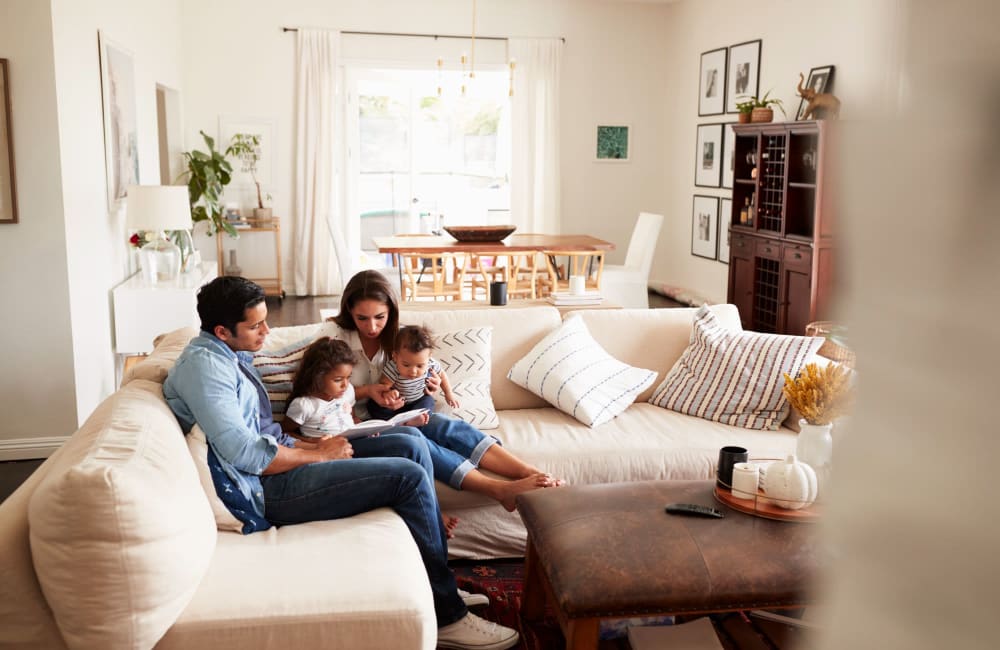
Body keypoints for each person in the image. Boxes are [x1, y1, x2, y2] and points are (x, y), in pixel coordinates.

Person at [162, 276, 516, 650]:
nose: (267, 330)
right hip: (265, 489)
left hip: (287, 456)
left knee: (411, 441)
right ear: (222, 330)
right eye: (256, 325)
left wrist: (313, 443)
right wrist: (317, 453)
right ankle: (448, 617)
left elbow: (263, 434)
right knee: (409, 477)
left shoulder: (227, 353)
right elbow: (247, 455)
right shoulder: (207, 369)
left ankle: (437, 584)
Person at [332, 270, 563, 511]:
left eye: (380, 317)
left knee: (444, 425)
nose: (372, 327)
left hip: (398, 416)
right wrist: (368, 391)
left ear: (391, 310)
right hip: (357, 428)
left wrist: (428, 388)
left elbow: (423, 372)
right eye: (362, 318)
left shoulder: (398, 338)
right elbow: (319, 392)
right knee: (418, 440)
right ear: (349, 310)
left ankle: (533, 473)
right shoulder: (335, 339)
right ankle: (499, 490)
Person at [368, 325, 458, 421]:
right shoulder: (393, 368)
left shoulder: (431, 364)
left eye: (419, 366)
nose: (413, 371)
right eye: (406, 365)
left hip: (418, 400)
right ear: (395, 356)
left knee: (428, 402)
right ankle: (394, 422)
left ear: (429, 357)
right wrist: (389, 393)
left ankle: (416, 419)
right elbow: (384, 385)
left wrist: (448, 393)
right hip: (397, 404)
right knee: (373, 405)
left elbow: (442, 375)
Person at [284, 337, 360, 439]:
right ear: (317, 377)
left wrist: (366, 429)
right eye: (338, 380)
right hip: (333, 451)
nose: (345, 385)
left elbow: (353, 418)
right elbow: (284, 432)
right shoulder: (304, 405)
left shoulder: (348, 391)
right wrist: (313, 443)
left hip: (356, 441)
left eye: (348, 377)